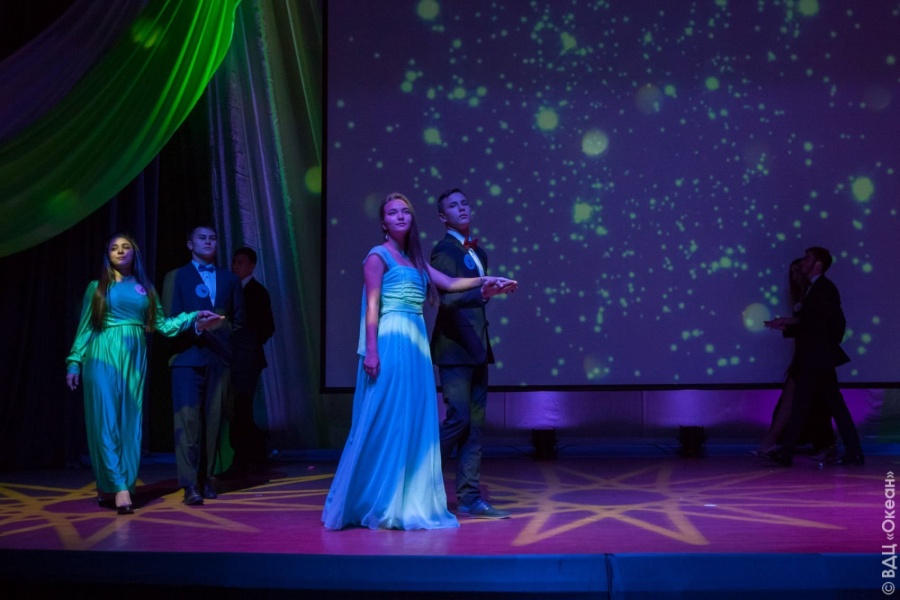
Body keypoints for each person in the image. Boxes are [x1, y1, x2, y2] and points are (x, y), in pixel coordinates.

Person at [322, 192, 517, 530]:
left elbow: (451, 283)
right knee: (385, 417)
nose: (400, 216)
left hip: (415, 342)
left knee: (412, 417)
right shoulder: (377, 256)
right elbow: (372, 306)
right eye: (393, 213)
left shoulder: (415, 259)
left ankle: (406, 493)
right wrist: (371, 351)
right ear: (384, 222)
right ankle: (376, 496)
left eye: (405, 212)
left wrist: (485, 281)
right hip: (392, 337)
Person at [66, 234, 221, 514]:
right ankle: (120, 488)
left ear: (134, 253)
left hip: (134, 359)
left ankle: (114, 484)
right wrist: (74, 361)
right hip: (101, 356)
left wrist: (194, 317)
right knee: (106, 421)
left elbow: (163, 325)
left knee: (130, 423)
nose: (120, 251)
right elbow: (86, 327)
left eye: (125, 247)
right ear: (108, 255)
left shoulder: (145, 288)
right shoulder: (97, 288)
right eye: (114, 248)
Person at [430, 187, 511, 518]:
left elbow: (475, 299)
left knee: (475, 426)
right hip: (454, 349)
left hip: (477, 348)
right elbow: (446, 298)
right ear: (443, 216)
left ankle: (470, 497)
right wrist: (483, 291)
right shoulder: (444, 250)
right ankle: (418, 480)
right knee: (459, 419)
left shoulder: (480, 252)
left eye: (465, 203)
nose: (461, 208)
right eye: (453, 205)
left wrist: (488, 292)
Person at [162, 225, 245, 505]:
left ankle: (207, 477)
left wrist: (220, 327)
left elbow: (239, 321)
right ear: (190, 244)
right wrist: (197, 326)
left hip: (218, 358)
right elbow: (169, 321)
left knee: (213, 421)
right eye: (202, 238)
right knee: (188, 422)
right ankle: (189, 483)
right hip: (186, 358)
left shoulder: (230, 279)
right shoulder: (176, 276)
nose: (208, 242)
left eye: (212, 238)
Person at [761, 246, 863, 467]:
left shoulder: (823, 288)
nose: (802, 263)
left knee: (805, 404)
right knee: (823, 405)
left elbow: (824, 323)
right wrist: (789, 325)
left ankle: (788, 452)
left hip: (816, 358)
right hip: (817, 357)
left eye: (807, 259)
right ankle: (853, 451)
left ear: (818, 264)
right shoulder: (816, 288)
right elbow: (813, 324)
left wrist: (791, 324)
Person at [757, 258, 834, 456]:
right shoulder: (802, 295)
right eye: (792, 272)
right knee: (805, 401)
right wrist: (786, 327)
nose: (794, 276)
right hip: (804, 356)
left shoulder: (813, 294)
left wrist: (787, 322)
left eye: (797, 271)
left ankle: (776, 445)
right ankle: (781, 445)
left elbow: (813, 324)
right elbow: (804, 327)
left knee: (804, 400)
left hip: (811, 357)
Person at [225, 246, 275, 477]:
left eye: (240, 262)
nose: (235, 266)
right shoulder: (230, 290)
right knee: (235, 409)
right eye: (234, 261)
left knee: (241, 407)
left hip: (247, 358)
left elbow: (268, 327)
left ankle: (244, 459)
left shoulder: (257, 292)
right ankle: (256, 450)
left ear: (252, 266)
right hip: (229, 357)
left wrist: (249, 344)